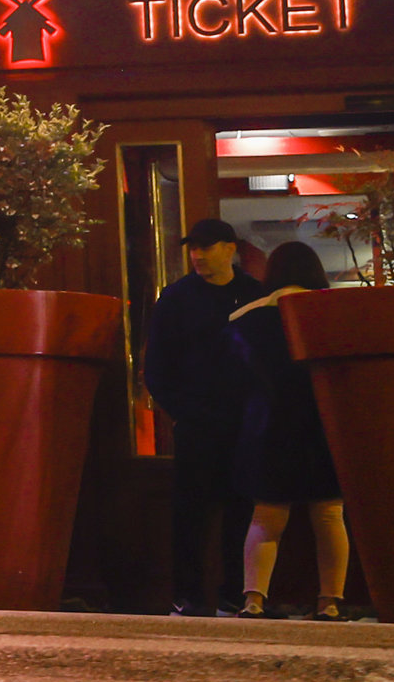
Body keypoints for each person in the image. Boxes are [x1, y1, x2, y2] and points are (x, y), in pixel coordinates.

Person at [230, 247, 351, 620]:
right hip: (323, 426)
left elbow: (234, 381)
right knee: (330, 515)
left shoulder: (245, 318)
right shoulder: (335, 314)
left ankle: (254, 599)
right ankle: (329, 602)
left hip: (269, 427)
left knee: (266, 517)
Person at [140, 222, 253, 615]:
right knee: (191, 514)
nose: (198, 256)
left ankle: (234, 594)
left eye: (207, 248)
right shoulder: (176, 299)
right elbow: (156, 365)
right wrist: (182, 411)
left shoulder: (253, 294)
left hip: (244, 424)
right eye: (193, 249)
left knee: (242, 513)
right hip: (197, 424)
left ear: (230, 248)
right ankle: (187, 595)